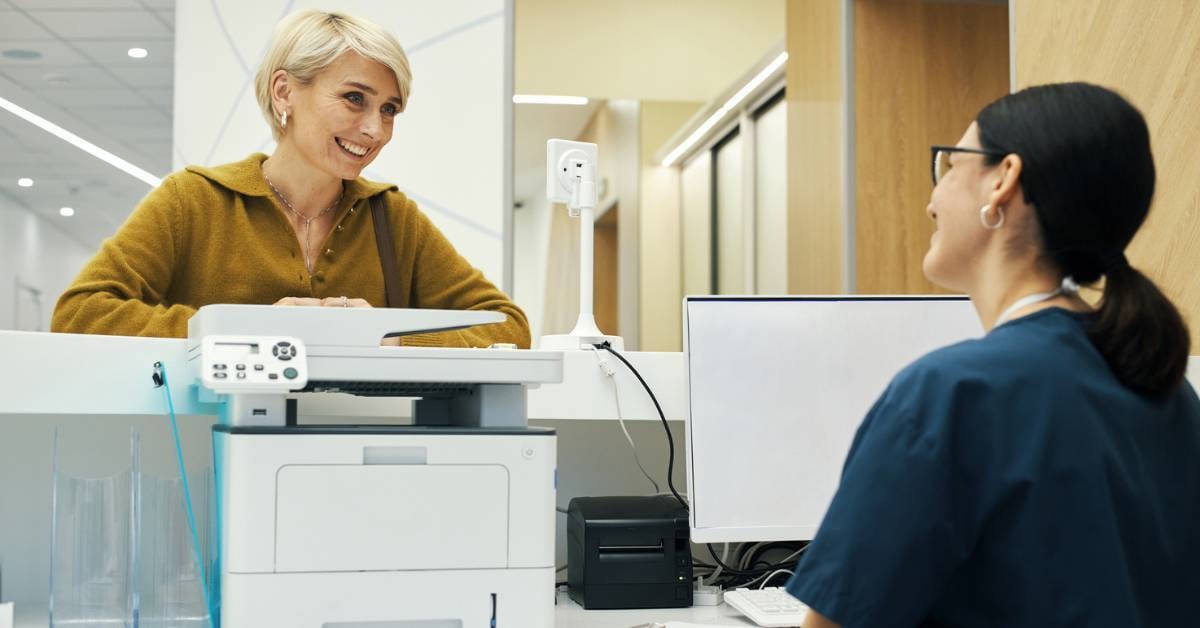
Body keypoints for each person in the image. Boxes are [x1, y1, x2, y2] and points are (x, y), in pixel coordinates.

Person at [787, 83, 1200, 628]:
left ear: (1002, 180)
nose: (931, 201)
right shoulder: (1168, 390)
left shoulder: (950, 394)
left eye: (948, 168)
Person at [51, 9, 529, 348]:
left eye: (389, 109)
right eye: (354, 98)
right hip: (212, 459)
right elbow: (80, 314)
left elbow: (508, 327)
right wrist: (246, 330)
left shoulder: (391, 217)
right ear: (285, 92)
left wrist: (390, 337)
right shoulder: (193, 200)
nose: (375, 129)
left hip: (361, 459)